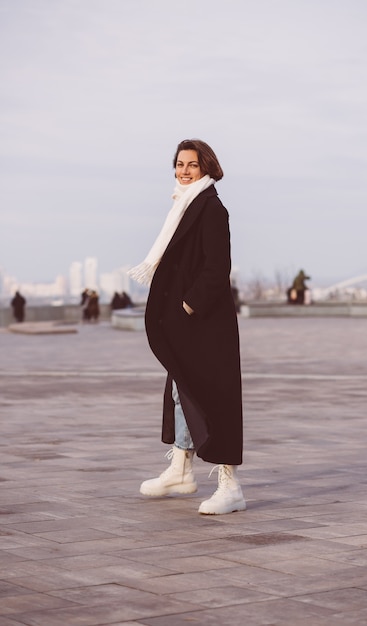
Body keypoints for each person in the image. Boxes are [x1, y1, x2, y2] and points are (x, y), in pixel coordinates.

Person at [128, 139, 245, 515]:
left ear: (206, 167)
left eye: (191, 165)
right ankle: (180, 468)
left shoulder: (211, 208)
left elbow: (216, 268)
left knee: (216, 397)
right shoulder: (184, 205)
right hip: (185, 322)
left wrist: (188, 306)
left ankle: (230, 485)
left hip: (205, 323)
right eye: (179, 164)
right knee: (183, 389)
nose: (184, 171)